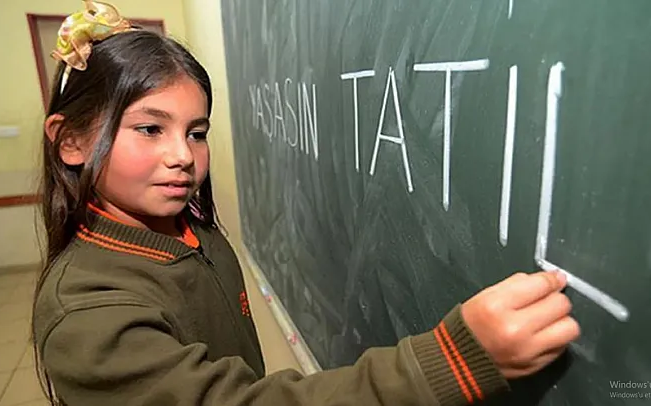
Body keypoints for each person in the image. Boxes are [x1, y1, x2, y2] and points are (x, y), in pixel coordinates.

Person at [32, 2, 581, 405]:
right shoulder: (88, 315)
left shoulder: (189, 229)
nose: (183, 156)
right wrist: (452, 360)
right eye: (150, 129)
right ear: (70, 141)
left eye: (196, 133)